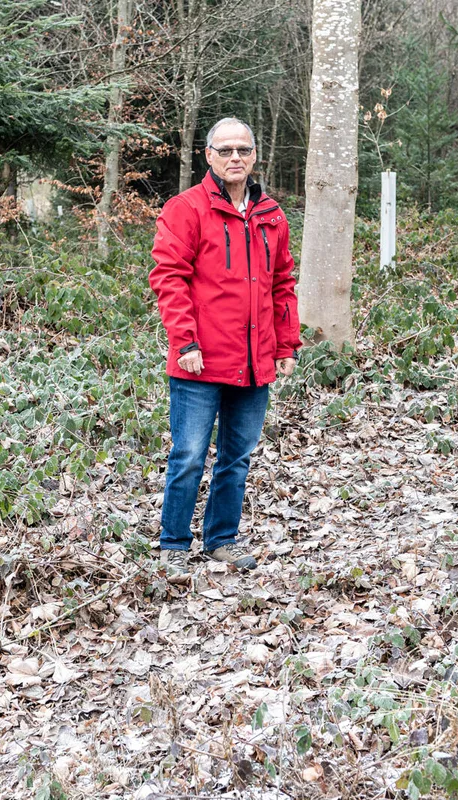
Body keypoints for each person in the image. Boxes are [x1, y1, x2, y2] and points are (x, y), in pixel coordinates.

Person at [149, 117, 302, 578]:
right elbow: (168, 278)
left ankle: (221, 539)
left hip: (255, 362)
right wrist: (185, 341)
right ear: (209, 156)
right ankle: (173, 543)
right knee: (190, 454)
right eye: (226, 150)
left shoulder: (271, 215)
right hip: (199, 359)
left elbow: (282, 283)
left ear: (254, 156)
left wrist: (287, 344)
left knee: (236, 456)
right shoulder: (186, 209)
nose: (235, 157)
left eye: (243, 150)